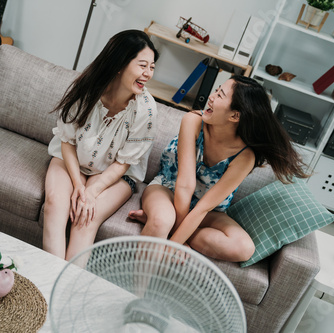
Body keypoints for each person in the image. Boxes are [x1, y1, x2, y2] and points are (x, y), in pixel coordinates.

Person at [129, 75, 309, 262]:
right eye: (216, 90)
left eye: (220, 95)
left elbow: (203, 208)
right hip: (168, 189)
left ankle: (173, 225)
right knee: (160, 221)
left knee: (244, 248)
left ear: (235, 115)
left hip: (206, 211)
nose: (212, 97)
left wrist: (177, 238)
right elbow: (184, 186)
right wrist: (177, 242)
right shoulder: (193, 121)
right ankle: (165, 226)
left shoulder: (245, 156)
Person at [44, 30, 159, 260]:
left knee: (86, 217)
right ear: (120, 63)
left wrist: (90, 193)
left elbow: (123, 163)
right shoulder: (87, 88)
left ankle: (65, 292)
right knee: (55, 205)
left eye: (152, 67)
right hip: (72, 158)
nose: (148, 74)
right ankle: (48, 284)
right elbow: (67, 141)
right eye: (142, 65)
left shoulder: (146, 110)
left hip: (114, 172)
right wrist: (78, 184)